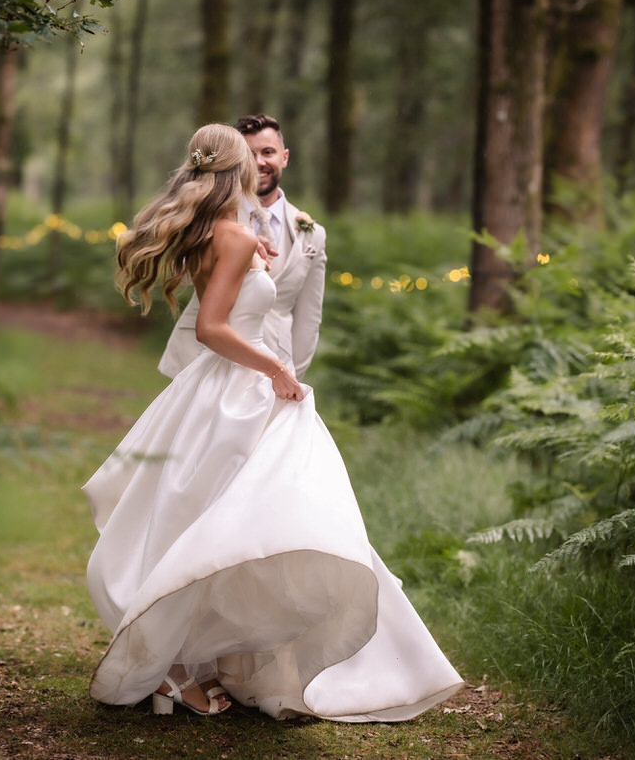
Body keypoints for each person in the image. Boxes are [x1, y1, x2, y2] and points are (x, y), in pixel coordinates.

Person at [84, 123, 464, 721]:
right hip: (241, 387)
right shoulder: (232, 237)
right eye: (250, 161)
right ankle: (182, 671)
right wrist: (276, 370)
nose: (260, 170)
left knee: (224, 520)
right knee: (244, 521)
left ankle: (217, 663)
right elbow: (212, 327)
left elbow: (227, 302)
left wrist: (251, 263)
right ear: (236, 173)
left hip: (223, 386)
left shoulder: (214, 233)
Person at [158, 114, 326, 382]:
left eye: (268, 152)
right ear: (234, 162)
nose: (259, 162)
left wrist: (293, 372)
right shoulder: (206, 222)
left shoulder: (313, 234)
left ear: (284, 157)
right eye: (249, 154)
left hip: (274, 366)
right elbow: (184, 272)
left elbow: (308, 317)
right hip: (200, 360)